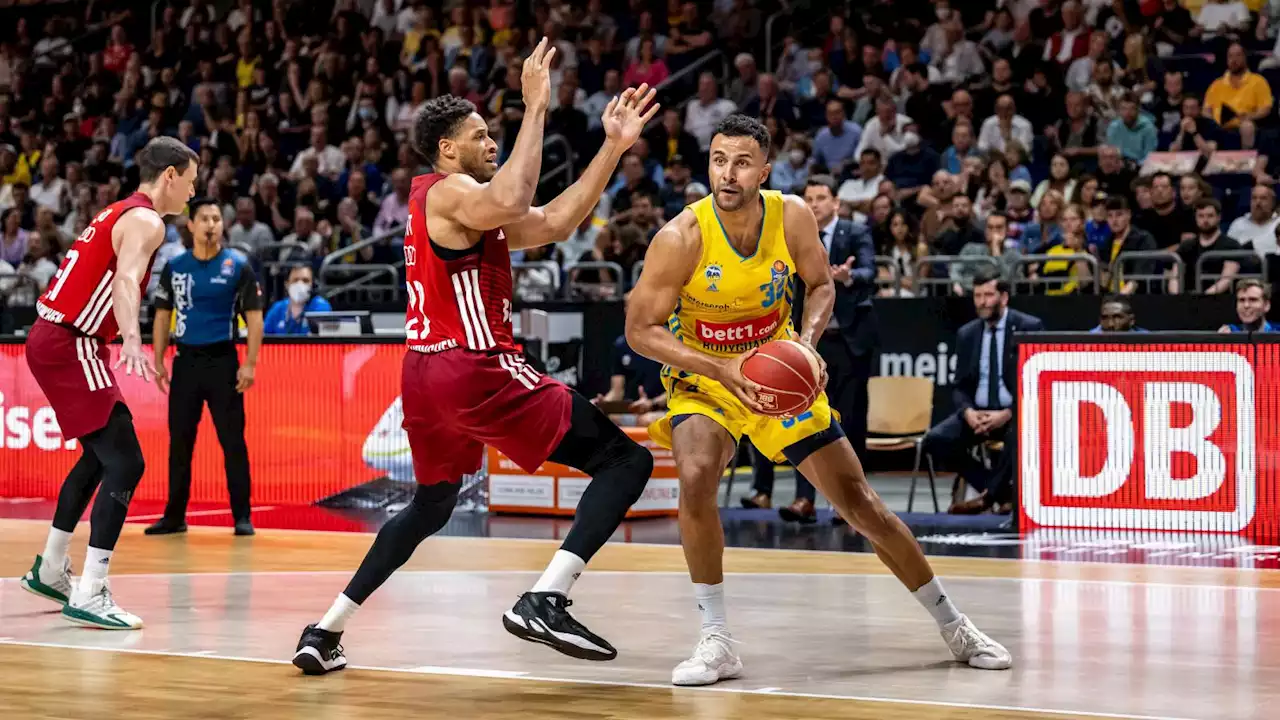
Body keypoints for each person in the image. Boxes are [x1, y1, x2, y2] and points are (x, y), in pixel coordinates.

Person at [292, 41, 662, 675]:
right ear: (447, 149)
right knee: (626, 461)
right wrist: (535, 108)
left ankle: (326, 631)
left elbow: (553, 222)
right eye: (480, 135)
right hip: (476, 363)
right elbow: (517, 200)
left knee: (433, 504)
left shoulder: (463, 208)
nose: (492, 142)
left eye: (496, 133)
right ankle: (545, 597)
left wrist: (613, 148)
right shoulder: (449, 192)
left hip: (426, 374)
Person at [626, 114, 1012, 687]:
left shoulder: (794, 216)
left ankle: (954, 625)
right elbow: (640, 329)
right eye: (717, 160)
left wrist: (804, 346)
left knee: (861, 504)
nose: (726, 174)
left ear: (764, 169)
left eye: (740, 162)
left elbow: (822, 284)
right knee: (697, 473)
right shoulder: (681, 236)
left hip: (775, 372)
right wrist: (719, 368)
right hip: (706, 378)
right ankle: (717, 639)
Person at [18, 137, 197, 630]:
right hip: (72, 340)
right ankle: (92, 591)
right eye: (191, 181)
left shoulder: (117, 210)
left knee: (101, 456)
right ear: (169, 176)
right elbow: (124, 281)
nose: (192, 192)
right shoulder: (146, 220)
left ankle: (52, 568)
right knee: (127, 459)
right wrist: (135, 342)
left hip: (57, 336)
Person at [742, 175, 878, 525]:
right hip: (798, 340)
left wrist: (847, 277)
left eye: (821, 197)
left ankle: (847, 503)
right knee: (795, 414)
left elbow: (869, 270)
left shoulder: (854, 232)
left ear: (836, 203)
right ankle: (802, 498)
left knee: (846, 419)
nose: (814, 203)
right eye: (809, 197)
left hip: (845, 340)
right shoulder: (788, 231)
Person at [146, 198, 265, 537]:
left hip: (223, 362)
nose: (212, 224)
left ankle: (242, 516)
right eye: (205, 218)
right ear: (191, 226)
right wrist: (157, 358)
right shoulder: (176, 266)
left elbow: (255, 318)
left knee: (233, 442)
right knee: (180, 443)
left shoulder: (237, 265)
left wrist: (250, 364)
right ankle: (174, 516)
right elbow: (162, 314)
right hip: (185, 363)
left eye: (217, 218)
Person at [922, 270, 1044, 515]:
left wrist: (1008, 413)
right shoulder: (967, 333)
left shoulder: (1028, 327)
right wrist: (968, 412)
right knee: (936, 440)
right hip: (977, 413)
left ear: (1004, 298)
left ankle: (988, 497)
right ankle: (999, 492)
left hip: (1014, 413)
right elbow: (960, 386)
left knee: (1021, 434)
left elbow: (1037, 384)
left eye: (988, 295)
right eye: (977, 296)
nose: (982, 302)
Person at [263, 265, 331, 334]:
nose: (300, 284)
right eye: (295, 280)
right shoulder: (277, 309)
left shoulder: (320, 306)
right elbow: (264, 336)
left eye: (305, 280)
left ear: (312, 284)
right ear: (287, 284)